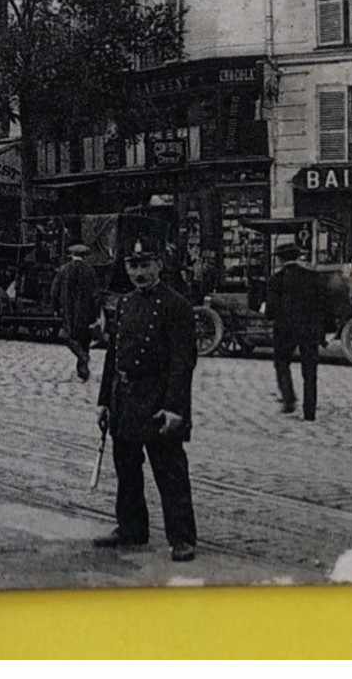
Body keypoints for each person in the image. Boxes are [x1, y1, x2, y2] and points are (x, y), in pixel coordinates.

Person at [94, 238, 199, 563]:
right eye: (132, 266)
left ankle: (182, 538)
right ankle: (131, 527)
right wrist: (104, 401)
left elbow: (184, 361)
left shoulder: (176, 305)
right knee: (126, 468)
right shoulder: (123, 304)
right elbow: (113, 355)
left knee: (170, 471)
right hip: (125, 398)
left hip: (158, 400)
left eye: (144, 265)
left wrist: (174, 407)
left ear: (159, 266)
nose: (138, 272)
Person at [266, 240, 332, 421]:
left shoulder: (276, 280)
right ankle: (309, 411)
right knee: (310, 372)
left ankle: (288, 399)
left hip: (285, 330)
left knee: (281, 363)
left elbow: (271, 311)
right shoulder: (312, 277)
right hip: (309, 330)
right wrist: (321, 330)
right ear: (298, 257)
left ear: (280, 259)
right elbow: (323, 306)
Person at [50, 242, 103, 381]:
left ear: (72, 255)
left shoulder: (64, 269)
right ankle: (82, 368)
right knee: (84, 339)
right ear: (84, 256)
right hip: (86, 311)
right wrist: (96, 314)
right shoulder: (90, 271)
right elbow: (96, 294)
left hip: (68, 310)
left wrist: (55, 307)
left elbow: (54, 290)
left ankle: (82, 358)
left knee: (69, 337)